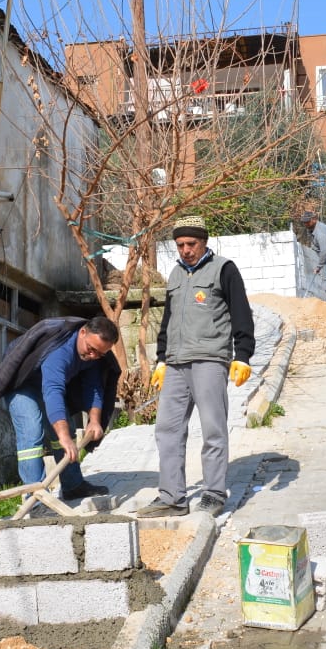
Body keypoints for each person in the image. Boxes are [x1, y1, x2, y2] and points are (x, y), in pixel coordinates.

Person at [139, 216, 255, 518]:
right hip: (176, 364)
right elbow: (168, 320)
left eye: (191, 244)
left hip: (210, 360)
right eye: (180, 245)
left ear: (203, 241)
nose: (186, 250)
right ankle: (172, 497)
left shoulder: (224, 270)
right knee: (167, 429)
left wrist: (242, 354)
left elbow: (242, 314)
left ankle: (214, 493)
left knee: (213, 429)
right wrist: (162, 359)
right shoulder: (176, 274)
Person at [0, 315, 121, 499]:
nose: (93, 356)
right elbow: (53, 391)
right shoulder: (60, 350)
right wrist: (63, 436)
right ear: (82, 332)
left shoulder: (94, 355)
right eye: (91, 349)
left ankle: (73, 486)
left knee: (67, 432)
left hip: (45, 385)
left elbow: (94, 387)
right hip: (21, 384)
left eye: (100, 354)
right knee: (32, 432)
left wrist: (95, 421)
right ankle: (34, 496)